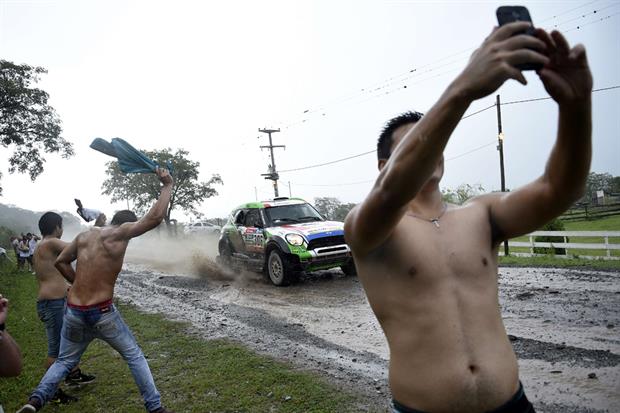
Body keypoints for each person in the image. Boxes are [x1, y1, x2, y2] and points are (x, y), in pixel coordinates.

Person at [344, 23, 591, 413]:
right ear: (383, 165)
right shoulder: (367, 227)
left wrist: (577, 108)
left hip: (512, 405)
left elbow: (560, 188)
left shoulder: (481, 213)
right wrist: (463, 89)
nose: (432, 150)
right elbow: (393, 190)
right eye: (415, 143)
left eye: (436, 142)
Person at [18, 168, 176, 413]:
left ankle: (35, 401)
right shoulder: (120, 234)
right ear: (128, 225)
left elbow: (61, 261)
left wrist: (76, 282)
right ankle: (155, 408)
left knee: (63, 361)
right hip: (102, 312)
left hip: (74, 311)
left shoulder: (84, 236)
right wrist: (167, 185)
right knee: (134, 356)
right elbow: (154, 219)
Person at [33, 212, 96, 405]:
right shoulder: (50, 243)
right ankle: (51, 392)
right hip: (52, 304)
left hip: (54, 301)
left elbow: (51, 273)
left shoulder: (40, 245)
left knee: (68, 341)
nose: (62, 230)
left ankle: (73, 374)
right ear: (57, 227)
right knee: (56, 351)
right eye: (61, 226)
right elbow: (78, 247)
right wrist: (96, 229)